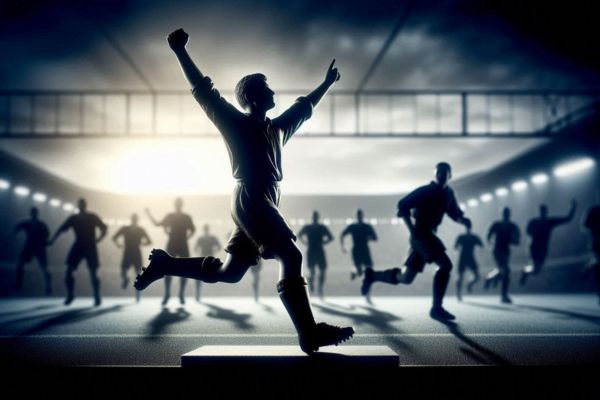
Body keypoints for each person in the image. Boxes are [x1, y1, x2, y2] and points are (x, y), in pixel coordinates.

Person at [134, 28, 353, 354]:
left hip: (261, 200)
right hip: (251, 199)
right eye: (266, 88)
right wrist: (179, 51)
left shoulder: (277, 129)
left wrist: (326, 83)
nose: (273, 91)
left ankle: (166, 265)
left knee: (231, 272)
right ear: (252, 97)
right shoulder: (235, 123)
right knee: (291, 255)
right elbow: (203, 91)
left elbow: (305, 107)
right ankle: (309, 333)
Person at [360, 162, 471, 321]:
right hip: (421, 233)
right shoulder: (426, 191)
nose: (441, 175)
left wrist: (463, 220)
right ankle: (436, 308)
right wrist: (412, 230)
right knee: (446, 265)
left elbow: (454, 212)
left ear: (450, 175)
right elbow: (403, 205)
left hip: (427, 235)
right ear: (435, 174)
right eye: (438, 172)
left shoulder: (449, 194)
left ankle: (372, 275)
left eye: (444, 172)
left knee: (406, 278)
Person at [48, 198, 107, 306]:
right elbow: (61, 229)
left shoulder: (92, 216)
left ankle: (97, 295)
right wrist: (52, 239)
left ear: (85, 205)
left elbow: (104, 228)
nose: (81, 206)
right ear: (78, 206)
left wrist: (99, 239)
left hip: (90, 245)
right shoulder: (74, 218)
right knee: (69, 271)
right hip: (78, 245)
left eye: (82, 204)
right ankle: (71, 294)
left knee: (93, 273)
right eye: (80, 204)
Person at [146, 197, 195, 306]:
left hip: (179, 244)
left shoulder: (181, 217)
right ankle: (169, 293)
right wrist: (149, 215)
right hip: (176, 244)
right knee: (169, 268)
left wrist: (185, 237)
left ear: (179, 204)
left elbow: (192, 230)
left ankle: (179, 293)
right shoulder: (176, 216)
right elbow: (192, 230)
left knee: (184, 269)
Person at [520, 200, 577, 285]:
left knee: (536, 271)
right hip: (534, 247)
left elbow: (567, 218)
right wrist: (534, 235)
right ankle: (525, 272)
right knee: (536, 268)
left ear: (546, 211)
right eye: (542, 210)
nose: (543, 212)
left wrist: (573, 207)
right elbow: (527, 232)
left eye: (544, 210)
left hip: (543, 248)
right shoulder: (534, 221)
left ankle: (525, 271)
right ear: (540, 211)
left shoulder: (549, 222)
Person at [112, 213, 152, 302]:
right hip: (128, 252)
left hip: (136, 252)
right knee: (124, 272)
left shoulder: (140, 229)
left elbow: (149, 241)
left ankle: (138, 293)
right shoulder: (125, 228)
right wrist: (118, 244)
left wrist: (141, 244)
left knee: (138, 274)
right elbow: (114, 237)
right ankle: (126, 279)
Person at [12, 207, 52, 295]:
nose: (33, 214)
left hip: (38, 247)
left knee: (44, 268)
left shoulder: (41, 224)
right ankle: (18, 281)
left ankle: (48, 286)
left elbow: (47, 235)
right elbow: (17, 227)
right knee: (20, 262)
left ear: (36, 214)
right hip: (30, 247)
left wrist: (46, 242)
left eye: (34, 213)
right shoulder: (29, 223)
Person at [484, 207, 520, 304]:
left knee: (503, 271)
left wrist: (514, 240)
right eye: (504, 213)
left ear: (509, 214)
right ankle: (504, 296)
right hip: (497, 250)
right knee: (506, 270)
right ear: (502, 214)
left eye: (507, 213)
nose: (506, 215)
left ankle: (489, 278)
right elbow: (488, 235)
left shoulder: (512, 226)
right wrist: (490, 243)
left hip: (506, 251)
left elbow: (517, 240)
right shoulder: (496, 224)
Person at [298, 211, 334, 298]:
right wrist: (304, 242)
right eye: (314, 216)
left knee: (322, 270)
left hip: (319, 250)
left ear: (317, 217)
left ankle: (320, 288)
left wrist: (324, 242)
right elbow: (299, 235)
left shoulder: (322, 227)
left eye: (316, 216)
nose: (315, 218)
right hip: (311, 250)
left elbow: (331, 237)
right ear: (312, 217)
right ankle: (311, 281)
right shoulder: (308, 227)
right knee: (312, 271)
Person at [340, 209, 377, 281]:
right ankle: (355, 272)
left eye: (360, 215)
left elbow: (375, 238)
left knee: (369, 267)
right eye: (358, 215)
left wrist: (369, 238)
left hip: (364, 249)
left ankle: (358, 274)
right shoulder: (353, 226)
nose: (359, 216)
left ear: (362, 216)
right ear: (356, 216)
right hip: (356, 249)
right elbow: (342, 235)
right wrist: (343, 247)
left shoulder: (367, 226)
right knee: (360, 271)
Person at [454, 220, 483, 301]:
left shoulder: (474, 237)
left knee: (477, 276)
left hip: (470, 257)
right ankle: (458, 294)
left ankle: (469, 284)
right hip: (463, 257)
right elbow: (455, 247)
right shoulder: (461, 237)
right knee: (460, 276)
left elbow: (481, 246)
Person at [193, 224, 222, 302]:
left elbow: (219, 247)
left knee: (202, 276)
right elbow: (195, 248)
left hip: (207, 259)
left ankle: (198, 294)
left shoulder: (210, 238)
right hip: (205, 259)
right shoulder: (202, 238)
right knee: (200, 276)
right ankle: (198, 294)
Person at [583, 204, 600, 304]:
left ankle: (588, 267)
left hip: (595, 244)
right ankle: (589, 266)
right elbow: (585, 226)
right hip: (596, 244)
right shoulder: (593, 210)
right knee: (598, 267)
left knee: (597, 265)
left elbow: (584, 226)